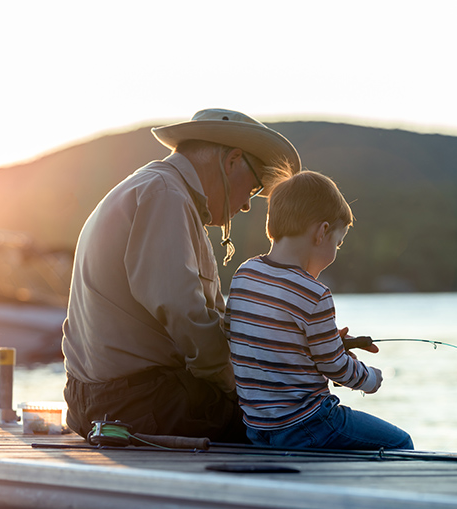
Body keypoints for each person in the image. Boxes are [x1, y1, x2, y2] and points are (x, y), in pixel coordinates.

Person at [62, 108, 301, 443]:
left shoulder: (156, 188)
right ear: (232, 161)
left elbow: (200, 318)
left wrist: (297, 339)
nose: (248, 204)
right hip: (138, 401)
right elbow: (183, 311)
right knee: (291, 419)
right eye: (255, 185)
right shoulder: (166, 196)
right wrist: (238, 383)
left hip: (96, 399)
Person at [225, 169, 414, 450]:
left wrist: (317, 342)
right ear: (322, 232)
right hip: (309, 424)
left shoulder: (245, 274)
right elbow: (334, 366)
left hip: (258, 429)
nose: (336, 252)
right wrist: (370, 378)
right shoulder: (315, 294)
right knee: (400, 442)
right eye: (338, 243)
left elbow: (243, 338)